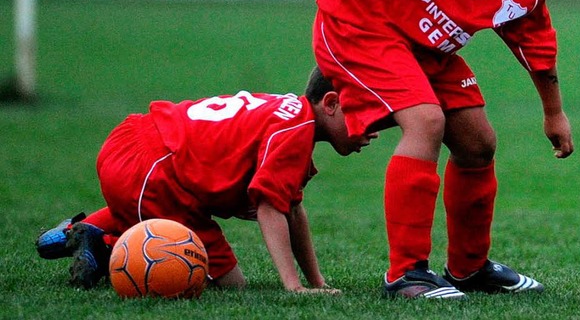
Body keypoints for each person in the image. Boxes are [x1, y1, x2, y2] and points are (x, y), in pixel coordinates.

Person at [228, 0, 580, 300]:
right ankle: (406, 274)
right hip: (359, 24)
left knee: (478, 144)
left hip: (425, 48)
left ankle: (469, 269)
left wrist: (554, 114)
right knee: (426, 121)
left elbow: (536, 44)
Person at [36, 66, 376, 294]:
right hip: (155, 172)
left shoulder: (290, 115)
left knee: (155, 211)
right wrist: (294, 286)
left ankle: (71, 233)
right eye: (369, 115)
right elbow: (272, 208)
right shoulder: (296, 131)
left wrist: (316, 281)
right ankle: (105, 245)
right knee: (229, 284)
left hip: (136, 145)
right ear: (331, 103)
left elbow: (292, 210)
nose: (375, 130)